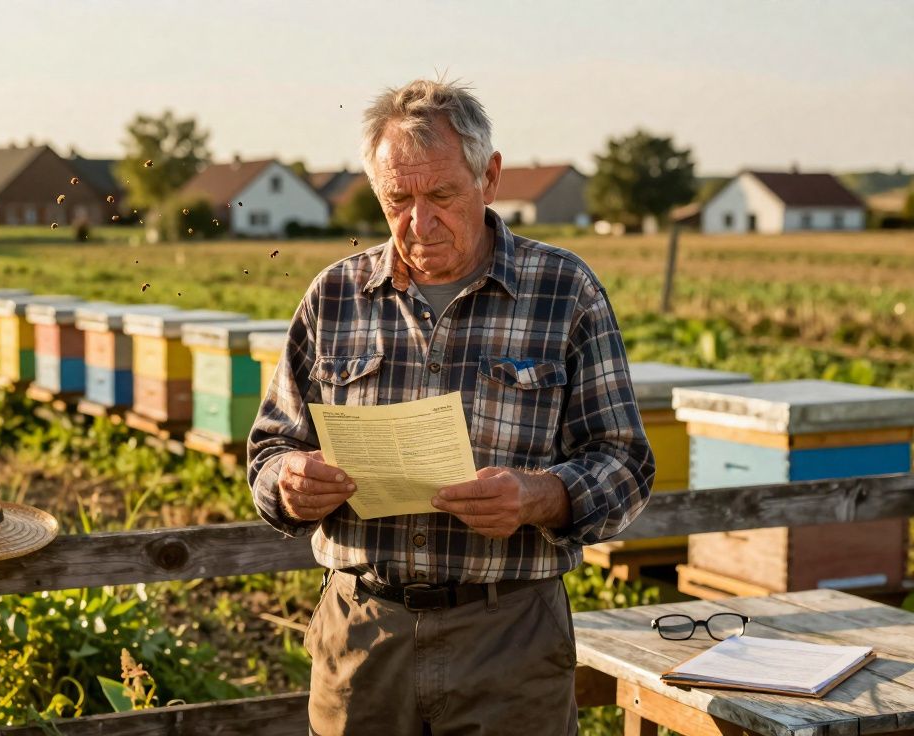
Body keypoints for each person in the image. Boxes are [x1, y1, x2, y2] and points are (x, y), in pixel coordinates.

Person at [247, 79, 655, 735]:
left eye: (441, 196)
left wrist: (538, 495)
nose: (419, 221)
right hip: (362, 636)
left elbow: (626, 465)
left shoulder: (564, 290)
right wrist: (287, 483)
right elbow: (269, 450)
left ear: (488, 177)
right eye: (397, 200)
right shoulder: (334, 297)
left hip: (510, 639)